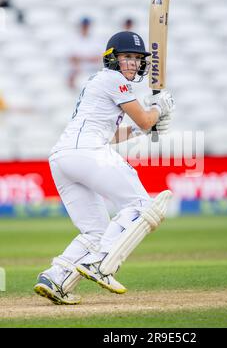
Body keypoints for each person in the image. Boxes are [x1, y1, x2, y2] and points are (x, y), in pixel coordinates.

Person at [34, 31, 175, 305]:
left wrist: (142, 127)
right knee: (141, 205)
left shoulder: (102, 82)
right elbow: (147, 119)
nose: (133, 63)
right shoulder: (113, 80)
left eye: (136, 58)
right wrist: (159, 109)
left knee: (96, 230)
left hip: (64, 158)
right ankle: (101, 262)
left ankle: (56, 276)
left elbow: (110, 135)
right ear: (113, 59)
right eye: (127, 57)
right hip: (87, 153)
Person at [67, 17, 100, 90]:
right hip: (78, 72)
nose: (85, 27)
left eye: (86, 25)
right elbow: (72, 58)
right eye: (84, 25)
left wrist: (81, 58)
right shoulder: (74, 39)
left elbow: (98, 58)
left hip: (93, 72)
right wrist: (89, 58)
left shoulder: (95, 39)